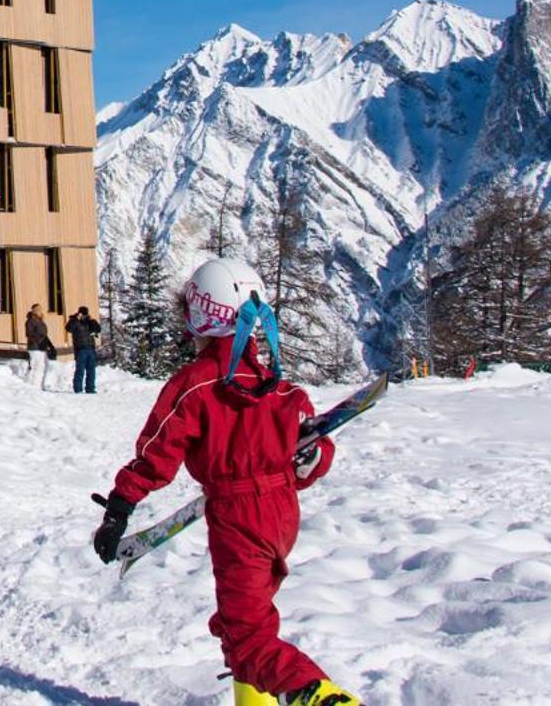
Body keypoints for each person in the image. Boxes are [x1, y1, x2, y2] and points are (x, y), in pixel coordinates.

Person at [87, 258, 355, 706]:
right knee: (243, 623)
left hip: (238, 519)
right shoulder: (279, 387)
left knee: (249, 639)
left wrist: (119, 509)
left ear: (201, 315)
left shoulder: (195, 385)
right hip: (282, 514)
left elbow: (156, 456)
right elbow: (310, 455)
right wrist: (313, 459)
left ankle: (321, 696)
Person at [23, 303, 60, 391]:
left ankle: (40, 385)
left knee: (42, 367)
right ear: (34, 311)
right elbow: (29, 334)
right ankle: (33, 386)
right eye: (38, 310)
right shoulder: (30, 321)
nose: (40, 311)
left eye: (41, 309)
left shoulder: (40, 321)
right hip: (34, 347)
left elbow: (44, 335)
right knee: (36, 367)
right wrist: (39, 341)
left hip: (41, 347)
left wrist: (49, 344)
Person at [65, 306, 101, 393]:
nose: (84, 315)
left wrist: (92, 320)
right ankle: (78, 389)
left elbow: (98, 329)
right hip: (80, 349)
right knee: (80, 370)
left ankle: (90, 388)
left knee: (91, 370)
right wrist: (76, 318)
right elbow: (68, 328)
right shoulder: (75, 321)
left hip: (91, 348)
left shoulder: (89, 322)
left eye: (86, 313)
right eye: (83, 313)